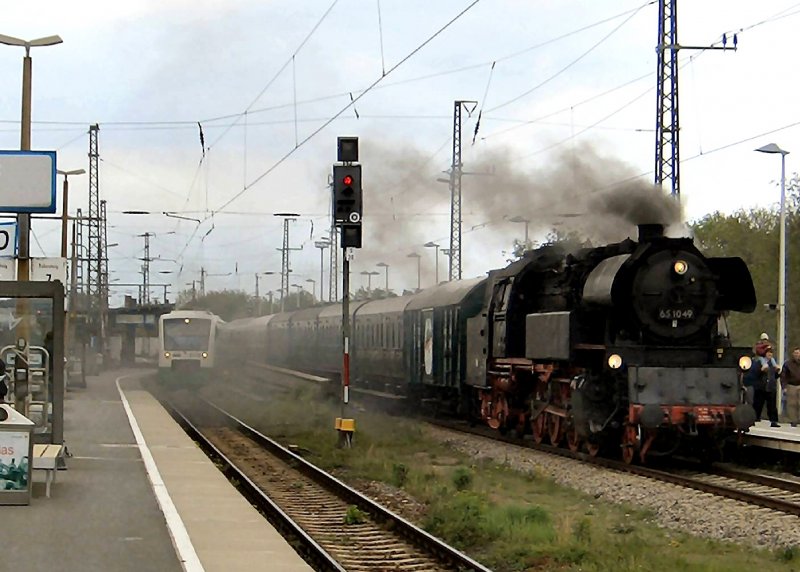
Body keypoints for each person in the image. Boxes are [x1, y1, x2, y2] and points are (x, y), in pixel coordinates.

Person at [753, 347, 782, 427]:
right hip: (761, 386)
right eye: (768, 353)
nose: (770, 354)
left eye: (771, 353)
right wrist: (761, 370)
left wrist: (778, 372)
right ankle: (754, 418)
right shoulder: (759, 362)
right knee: (758, 404)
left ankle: (773, 421)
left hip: (771, 387)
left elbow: (775, 376)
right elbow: (755, 374)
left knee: (772, 405)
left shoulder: (773, 363)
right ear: (765, 354)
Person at [782, 347, 800, 427]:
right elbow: (783, 376)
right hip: (791, 385)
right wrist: (784, 387)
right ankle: (793, 420)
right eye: (795, 353)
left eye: (798, 353)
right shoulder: (787, 364)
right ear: (793, 354)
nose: (797, 355)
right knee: (792, 404)